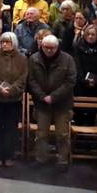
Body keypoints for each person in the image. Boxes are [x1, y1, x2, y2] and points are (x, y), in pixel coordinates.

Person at [27, 34, 77, 170]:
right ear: (41, 46)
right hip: (42, 103)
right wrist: (42, 96)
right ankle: (41, 158)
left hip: (62, 103)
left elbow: (70, 81)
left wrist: (53, 96)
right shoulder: (34, 59)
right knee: (41, 134)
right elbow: (31, 80)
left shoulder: (68, 59)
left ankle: (62, 161)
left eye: (52, 48)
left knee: (62, 134)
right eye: (46, 47)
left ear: (57, 47)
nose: (49, 50)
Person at [0, 31, 28, 167]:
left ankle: (9, 155)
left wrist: (12, 90)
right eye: (2, 42)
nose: (4, 44)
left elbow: (23, 78)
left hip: (13, 100)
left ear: (14, 43)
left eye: (7, 42)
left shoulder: (22, 59)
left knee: (11, 129)